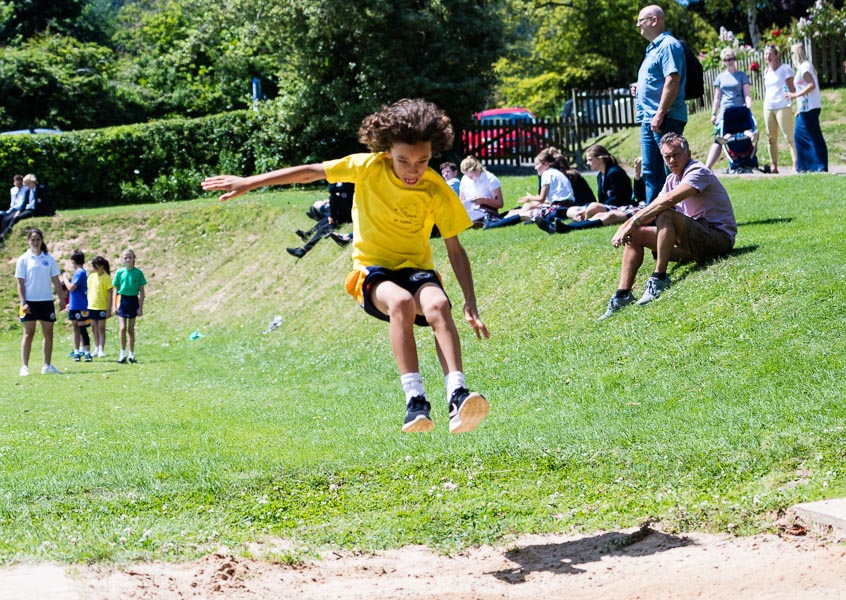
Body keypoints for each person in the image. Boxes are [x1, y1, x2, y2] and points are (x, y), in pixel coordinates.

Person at [202, 98, 490, 434]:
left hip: (416, 269)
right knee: (399, 302)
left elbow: (455, 249)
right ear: (387, 152)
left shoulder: (436, 188)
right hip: (374, 270)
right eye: (404, 161)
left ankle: (457, 395)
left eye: (422, 161)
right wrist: (249, 182)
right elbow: (311, 171)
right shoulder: (366, 167)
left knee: (439, 304)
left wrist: (470, 301)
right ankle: (415, 401)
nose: (413, 170)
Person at [598, 133, 736, 320]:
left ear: (688, 153)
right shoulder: (672, 179)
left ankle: (659, 278)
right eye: (667, 156)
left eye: (676, 154)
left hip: (718, 239)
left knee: (666, 215)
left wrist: (631, 221)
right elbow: (652, 207)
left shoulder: (698, 171)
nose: (672, 160)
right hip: (693, 241)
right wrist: (629, 226)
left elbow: (667, 201)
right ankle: (623, 294)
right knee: (636, 234)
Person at [633, 5, 687, 203]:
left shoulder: (668, 46)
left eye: (641, 21)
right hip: (650, 119)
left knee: (671, 169)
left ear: (654, 20)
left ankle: (679, 216)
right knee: (651, 171)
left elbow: (672, 79)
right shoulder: (653, 48)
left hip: (665, 119)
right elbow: (657, 80)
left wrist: (660, 112)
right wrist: (638, 88)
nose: (638, 25)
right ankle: (654, 220)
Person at [537, 151, 640, 235]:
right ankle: (562, 226)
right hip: (610, 206)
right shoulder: (600, 175)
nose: (587, 163)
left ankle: (566, 227)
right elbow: (602, 199)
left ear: (600, 158)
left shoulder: (615, 173)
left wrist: (637, 176)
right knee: (571, 210)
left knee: (600, 212)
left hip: (621, 206)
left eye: (590, 159)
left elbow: (620, 198)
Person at [483, 147, 575, 229]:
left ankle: (492, 225)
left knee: (522, 214)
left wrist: (529, 198)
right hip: (564, 207)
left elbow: (541, 198)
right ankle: (495, 221)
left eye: (537, 164)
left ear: (546, 164)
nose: (535, 168)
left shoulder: (547, 174)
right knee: (520, 210)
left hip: (557, 210)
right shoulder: (555, 172)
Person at [15, 227, 65, 375]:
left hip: (46, 301)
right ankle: (25, 366)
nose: (35, 242)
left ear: (42, 240)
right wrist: (23, 302)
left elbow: (56, 280)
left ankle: (47, 366)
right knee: (28, 333)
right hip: (29, 301)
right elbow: (20, 283)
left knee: (48, 333)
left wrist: (62, 299)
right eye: (33, 240)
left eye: (38, 239)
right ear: (28, 241)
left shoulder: (48, 259)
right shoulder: (23, 259)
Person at [705, 48, 753, 170]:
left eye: (731, 59)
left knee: (745, 131)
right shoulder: (720, 78)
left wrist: (749, 107)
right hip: (725, 111)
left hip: (739, 110)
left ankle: (746, 156)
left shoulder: (741, 75)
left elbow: (747, 94)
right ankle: (707, 167)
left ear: (734, 59)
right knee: (718, 139)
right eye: (726, 59)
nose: (729, 61)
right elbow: (717, 97)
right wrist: (713, 113)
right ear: (723, 61)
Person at [787, 43, 828, 173]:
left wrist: (794, 95)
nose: (791, 56)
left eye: (792, 53)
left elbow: (811, 85)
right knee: (800, 134)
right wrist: (799, 106)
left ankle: (820, 165)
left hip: (811, 108)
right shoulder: (802, 67)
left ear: (797, 53)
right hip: (804, 108)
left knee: (813, 135)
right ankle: (806, 166)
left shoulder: (805, 67)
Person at [762, 44, 797, 174]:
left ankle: (795, 163)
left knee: (788, 136)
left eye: (770, 53)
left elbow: (792, 89)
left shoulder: (785, 69)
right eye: (766, 54)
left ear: (777, 55)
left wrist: (792, 101)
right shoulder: (766, 71)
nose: (768, 56)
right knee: (771, 138)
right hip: (769, 106)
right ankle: (774, 165)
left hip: (782, 105)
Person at [112, 248, 147, 364]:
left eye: (130, 257)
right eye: (125, 257)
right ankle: (122, 354)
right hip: (122, 300)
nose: (128, 259)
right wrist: (114, 305)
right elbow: (115, 290)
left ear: (134, 259)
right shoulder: (119, 272)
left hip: (133, 301)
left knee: (130, 329)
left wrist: (140, 307)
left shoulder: (138, 273)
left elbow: (142, 292)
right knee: (122, 328)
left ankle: (131, 354)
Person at [458, 156, 504, 227]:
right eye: (467, 176)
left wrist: (483, 200)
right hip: (469, 211)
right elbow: (462, 200)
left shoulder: (490, 179)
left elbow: (500, 203)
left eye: (471, 176)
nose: (470, 179)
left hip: (486, 210)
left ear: (477, 169)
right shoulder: (465, 179)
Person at [65, 249, 92, 362]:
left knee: (82, 328)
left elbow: (71, 287)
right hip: (74, 305)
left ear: (74, 261)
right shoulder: (78, 273)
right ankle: (76, 352)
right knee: (75, 328)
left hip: (81, 305)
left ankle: (87, 352)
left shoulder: (80, 272)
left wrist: (65, 279)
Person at [87, 255, 114, 358]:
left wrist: (108, 309)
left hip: (102, 306)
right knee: (93, 328)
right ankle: (96, 347)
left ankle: (101, 349)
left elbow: (110, 295)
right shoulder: (91, 277)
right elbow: (89, 291)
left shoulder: (107, 278)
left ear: (102, 266)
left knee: (101, 328)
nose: (94, 268)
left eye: (96, 265)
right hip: (92, 306)